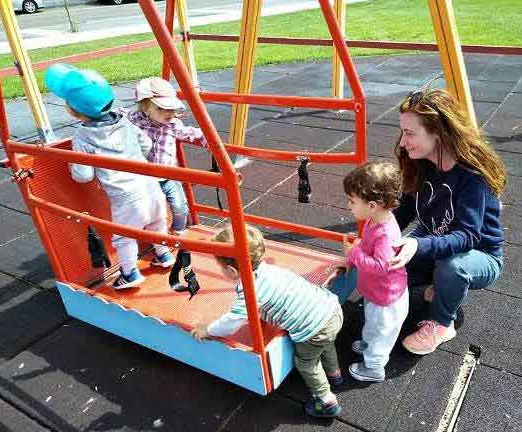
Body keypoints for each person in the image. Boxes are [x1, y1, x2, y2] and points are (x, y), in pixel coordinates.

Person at [389, 89, 506, 355]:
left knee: (451, 267)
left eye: (410, 132)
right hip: (435, 240)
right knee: (388, 264)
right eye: (402, 131)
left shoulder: (471, 176)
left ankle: (442, 323)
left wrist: (417, 246)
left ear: (437, 132)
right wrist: (376, 238)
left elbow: (467, 236)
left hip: (478, 255)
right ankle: (439, 286)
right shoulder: (421, 163)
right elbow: (403, 211)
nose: (403, 141)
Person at [44, 64, 175, 289]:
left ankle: (130, 274)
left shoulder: (83, 137)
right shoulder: (125, 122)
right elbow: (146, 143)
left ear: (73, 111)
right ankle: (163, 255)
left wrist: (72, 166)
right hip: (150, 185)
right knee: (157, 222)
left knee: (124, 236)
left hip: (125, 196)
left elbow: (83, 175)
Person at [191, 225, 344, 418]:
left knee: (306, 362)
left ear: (231, 270)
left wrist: (208, 329)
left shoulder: (250, 290)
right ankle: (334, 374)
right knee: (326, 343)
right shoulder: (270, 270)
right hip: (330, 308)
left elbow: (232, 323)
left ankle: (326, 401)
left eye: (220, 267)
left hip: (314, 327)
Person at [342, 161, 408, 383]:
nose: (349, 206)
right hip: (379, 292)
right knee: (372, 324)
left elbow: (382, 267)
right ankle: (369, 345)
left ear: (372, 205)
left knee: (381, 331)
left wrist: (354, 254)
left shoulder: (384, 234)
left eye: (352, 201)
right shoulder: (377, 218)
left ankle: (374, 367)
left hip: (386, 299)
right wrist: (359, 248)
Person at [127, 77, 208, 235]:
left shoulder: (173, 124)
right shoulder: (134, 120)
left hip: (168, 174)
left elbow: (190, 133)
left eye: (172, 109)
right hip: (145, 176)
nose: (169, 113)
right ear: (145, 107)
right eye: (161, 109)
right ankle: (153, 235)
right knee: (150, 208)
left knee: (179, 205)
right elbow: (117, 117)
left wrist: (208, 138)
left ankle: (179, 230)